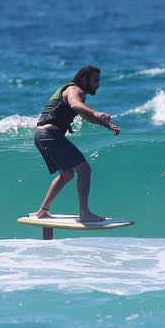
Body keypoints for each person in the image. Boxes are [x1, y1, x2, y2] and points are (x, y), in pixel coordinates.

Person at [32, 65, 120, 222]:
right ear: (83, 79)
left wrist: (106, 125)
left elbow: (84, 114)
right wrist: (95, 112)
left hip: (41, 135)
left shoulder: (73, 91)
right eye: (95, 80)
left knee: (67, 174)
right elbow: (76, 105)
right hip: (50, 135)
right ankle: (84, 213)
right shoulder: (74, 90)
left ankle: (42, 211)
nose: (98, 84)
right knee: (84, 170)